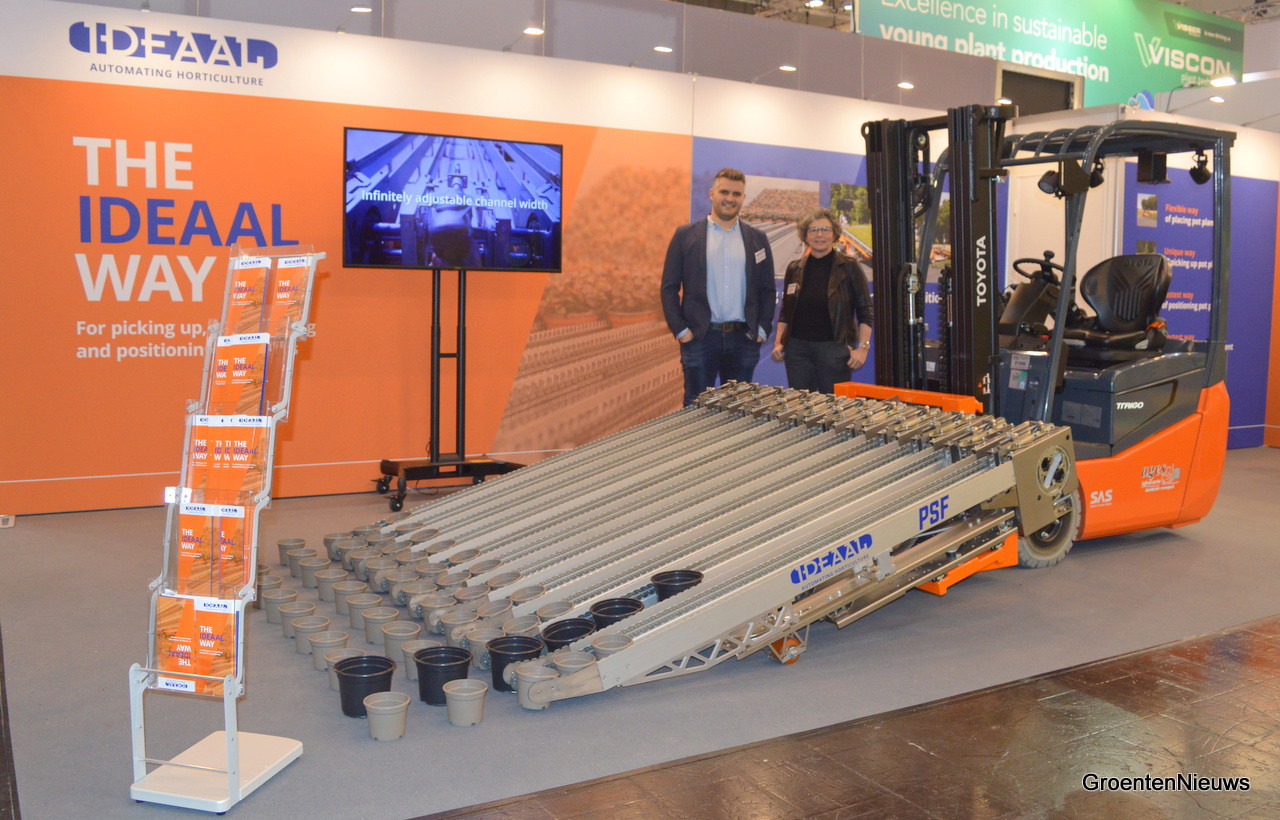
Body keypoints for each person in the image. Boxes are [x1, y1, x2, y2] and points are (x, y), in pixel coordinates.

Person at [660, 168, 776, 406]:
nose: (730, 198)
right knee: (696, 407)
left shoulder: (758, 239)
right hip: (700, 338)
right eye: (724, 192)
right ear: (712, 193)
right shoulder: (685, 235)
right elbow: (669, 287)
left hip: (744, 340)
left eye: (736, 194)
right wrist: (681, 331)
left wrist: (762, 330)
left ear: (743, 198)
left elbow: (767, 289)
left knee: (739, 409)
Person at [771, 207, 873, 393]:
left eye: (826, 229)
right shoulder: (794, 268)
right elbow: (786, 311)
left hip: (834, 350)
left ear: (834, 234)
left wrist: (863, 349)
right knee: (800, 405)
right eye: (814, 230)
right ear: (805, 235)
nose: (820, 235)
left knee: (833, 406)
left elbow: (865, 311)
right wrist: (779, 342)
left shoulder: (849, 267)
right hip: (797, 351)